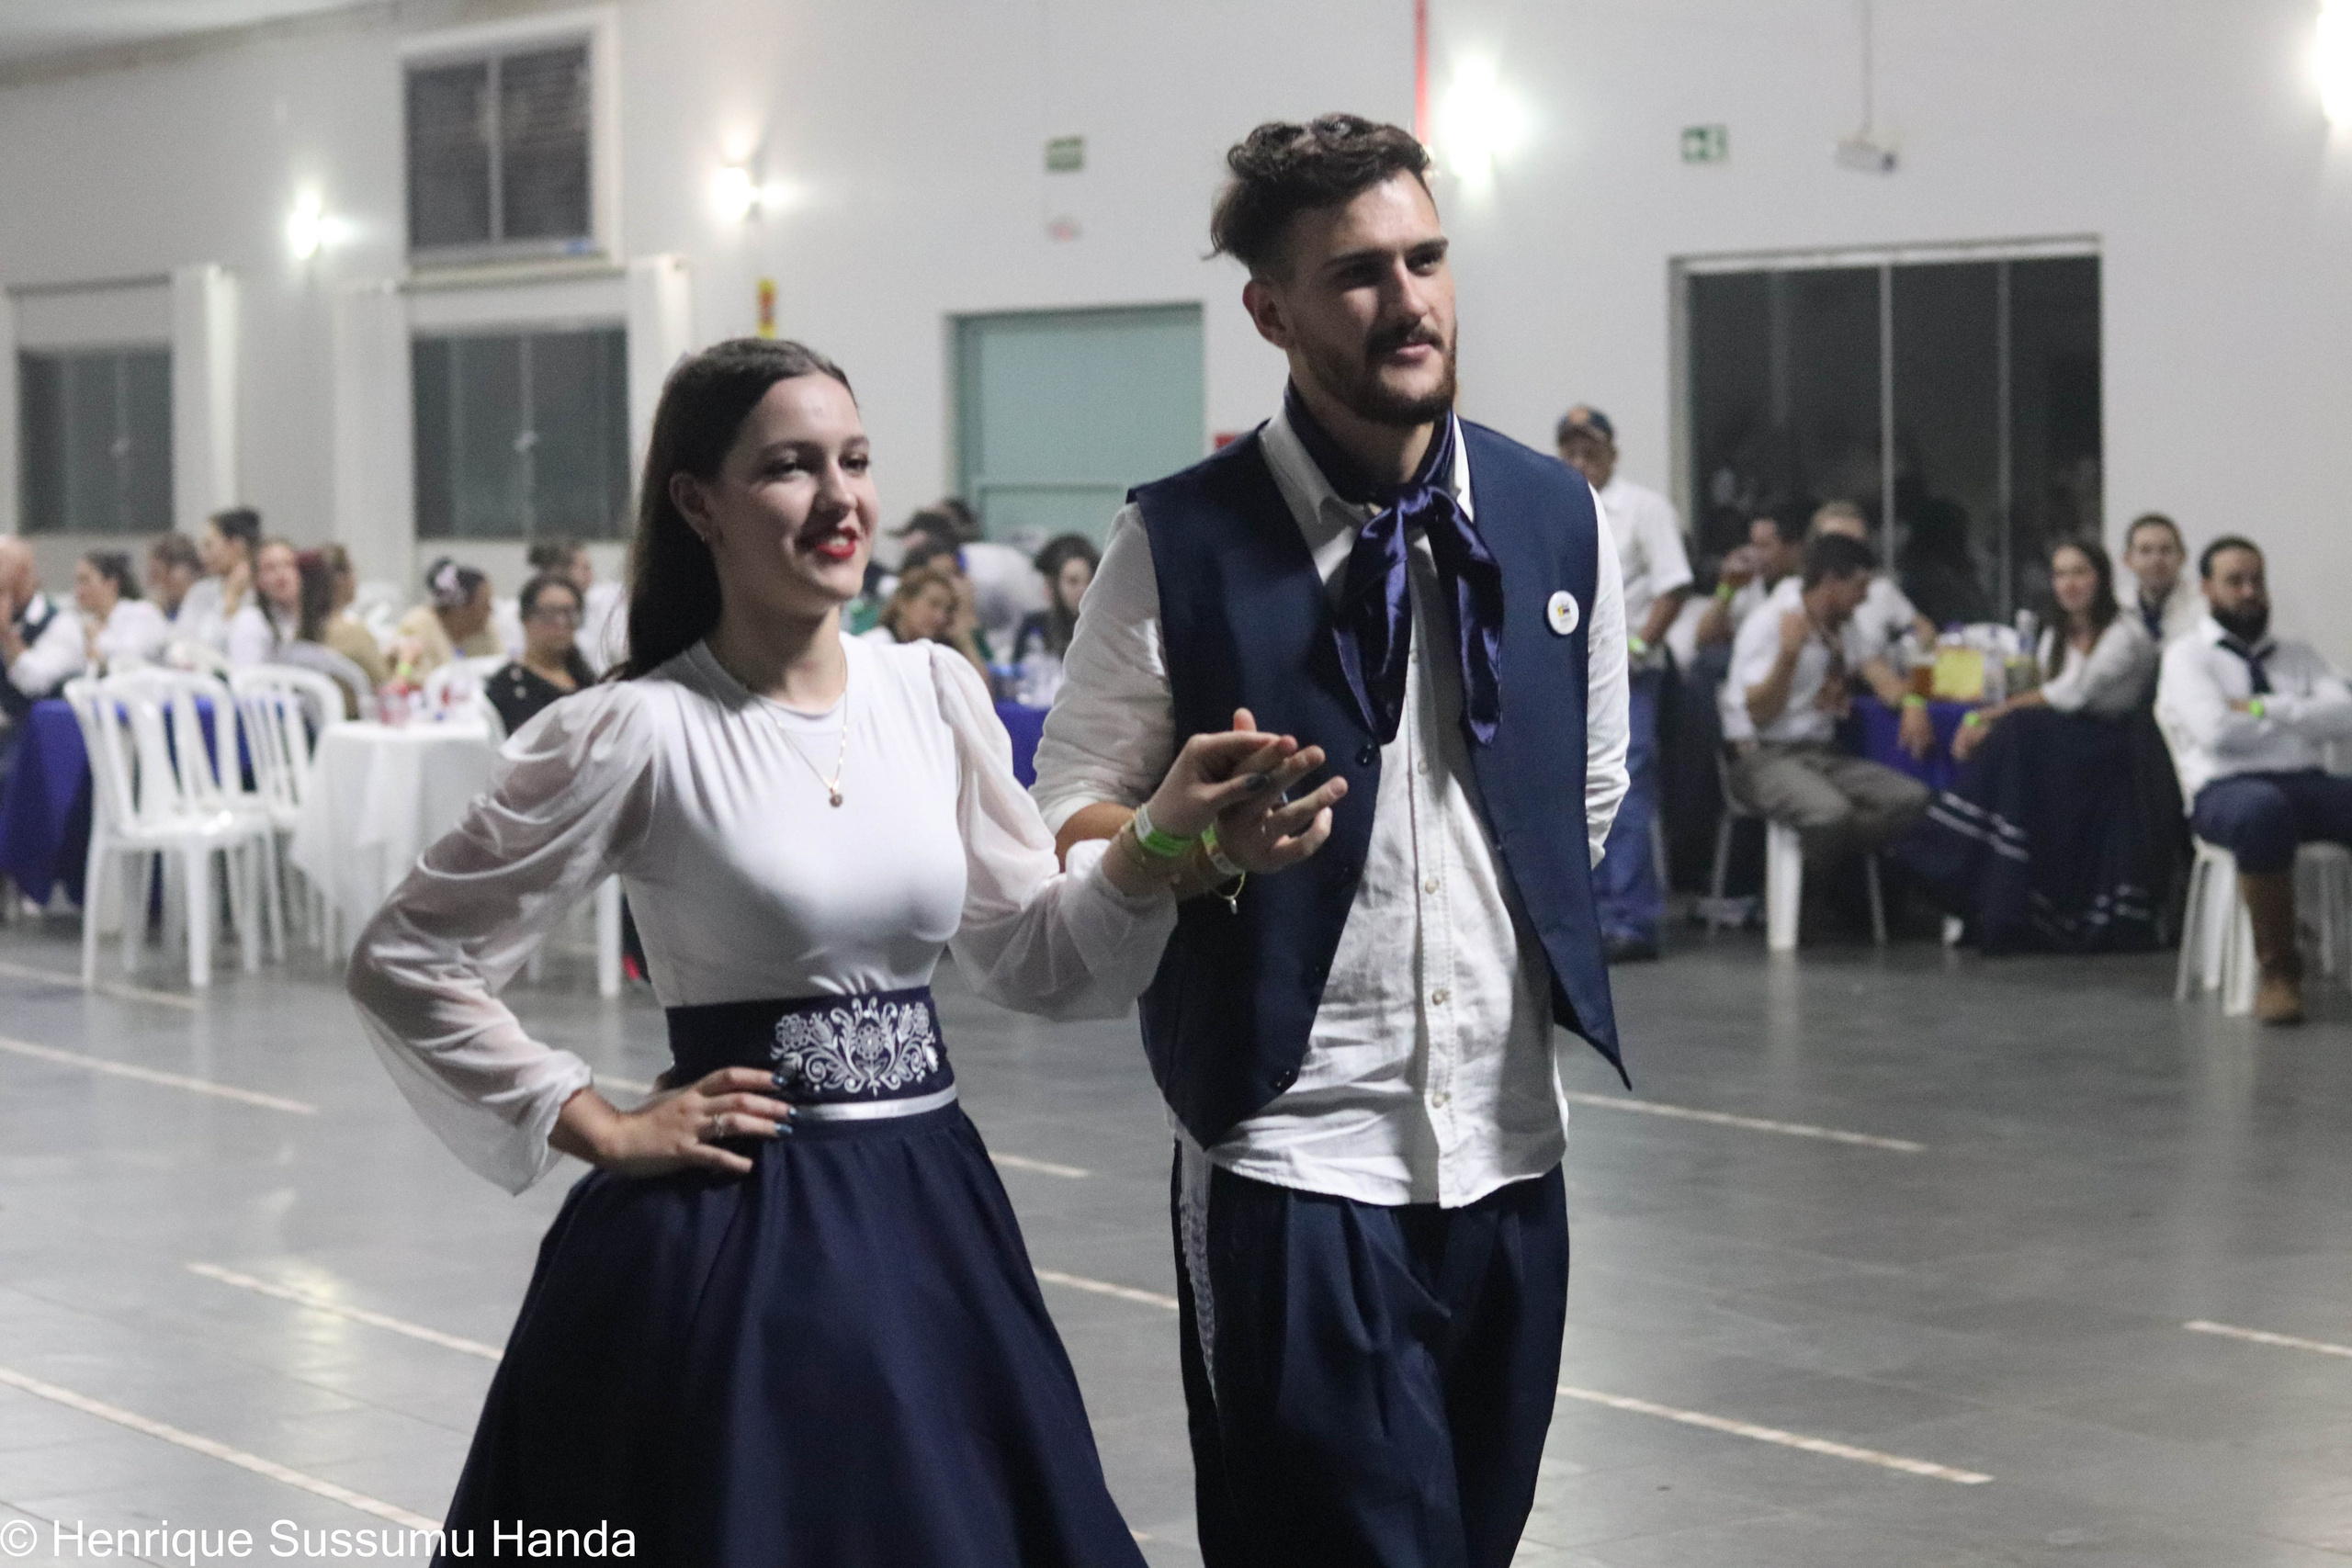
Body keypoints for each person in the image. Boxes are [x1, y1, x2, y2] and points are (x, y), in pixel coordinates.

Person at [347, 336, 1331, 1562]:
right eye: (789, 467)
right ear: (697, 502)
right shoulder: (637, 730)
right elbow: (408, 956)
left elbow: (1035, 954)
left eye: (854, 461)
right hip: (734, 1237)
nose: (838, 497)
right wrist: (593, 1120)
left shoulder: (926, 692)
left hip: (928, 1214)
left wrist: (1165, 837)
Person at [1035, 114, 1627, 1568]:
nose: (1408, 300)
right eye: (1357, 274)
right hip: (1292, 1154)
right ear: (1271, 312)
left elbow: (1589, 787)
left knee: (1474, 1538)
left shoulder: (1554, 517)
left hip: (1508, 1148)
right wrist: (1200, 848)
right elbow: (1072, 815)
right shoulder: (1179, 539)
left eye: (1425, 258)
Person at [1904, 539, 2165, 953]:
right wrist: (1988, 719)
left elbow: (2074, 693)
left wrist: (1989, 716)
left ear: (2101, 578)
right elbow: (2040, 689)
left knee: (2017, 731)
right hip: (2059, 742)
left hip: (2108, 748)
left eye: (2080, 573)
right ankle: (1977, 872)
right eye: (2060, 574)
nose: (2069, 584)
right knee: (2016, 735)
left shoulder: (2126, 634)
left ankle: (1945, 844)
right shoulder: (2054, 635)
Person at [2155, 536, 2352, 1023]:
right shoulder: (2187, 656)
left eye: (2257, 581)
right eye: (2235, 581)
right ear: (2207, 588)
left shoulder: (2298, 654)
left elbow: (2345, 714)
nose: (2249, 592)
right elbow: (2216, 731)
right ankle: (2279, 974)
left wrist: (2263, 707)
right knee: (2263, 810)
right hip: (2225, 791)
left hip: (2304, 782)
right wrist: (2301, 715)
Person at [1559, 403, 1689, 962]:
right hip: (1572, 673)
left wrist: (1636, 648)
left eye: (1590, 450)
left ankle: (1632, 920)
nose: (1579, 460)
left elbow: (1673, 586)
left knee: (1624, 788)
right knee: (1575, 790)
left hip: (1631, 676)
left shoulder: (1643, 508)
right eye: (1569, 450)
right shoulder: (1558, 504)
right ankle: (1588, 916)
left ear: (1612, 453)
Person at [1722, 532, 1929, 864]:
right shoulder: (1772, 621)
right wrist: (1788, 656)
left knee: (1910, 799)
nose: (1865, 598)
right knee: (1830, 813)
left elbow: (1884, 681)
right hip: (1761, 757)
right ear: (1831, 581)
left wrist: (1914, 703)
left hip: (1822, 754)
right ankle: (1814, 890)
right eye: (1859, 586)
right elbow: (1759, 714)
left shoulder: (1844, 627)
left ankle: (1828, 860)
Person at [1810, 501, 1937, 761]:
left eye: (1856, 545)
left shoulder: (1861, 611)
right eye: (1837, 544)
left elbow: (1884, 678)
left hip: (1849, 728)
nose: (1849, 555)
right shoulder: (1786, 606)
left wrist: (1915, 697)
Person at [0, 537, 85, 779]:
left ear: (23, 573)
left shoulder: (61, 624)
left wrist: (6, 634)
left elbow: (34, 682)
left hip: (37, 744)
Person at [485, 572, 597, 735]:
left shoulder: (588, 679)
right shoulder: (508, 687)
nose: (561, 622)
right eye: (549, 613)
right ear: (525, 618)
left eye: (569, 613)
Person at [1691, 506, 1804, 651]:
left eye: (1764, 546)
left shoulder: (1805, 587)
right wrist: (1727, 588)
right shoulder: (1748, 583)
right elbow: (1702, 640)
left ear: (1793, 549)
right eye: (1753, 545)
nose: (1757, 555)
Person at [1006, 533, 1099, 707]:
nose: (1084, 590)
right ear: (1050, 586)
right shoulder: (1035, 628)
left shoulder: (1105, 630)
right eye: (1072, 582)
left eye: (1089, 581)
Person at [865, 559, 992, 683]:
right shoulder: (875, 645)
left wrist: (963, 640)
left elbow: (978, 692)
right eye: (933, 604)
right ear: (904, 602)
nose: (940, 617)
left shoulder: (938, 654)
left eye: (947, 610)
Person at [527, 536, 627, 673]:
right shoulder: (528, 610)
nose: (591, 575)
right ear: (559, 570)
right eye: (585, 568)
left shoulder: (602, 601)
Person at [392, 558, 500, 676]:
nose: (490, 611)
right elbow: (406, 679)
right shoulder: (418, 627)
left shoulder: (483, 629)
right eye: (484, 605)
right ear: (460, 608)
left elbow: (500, 669)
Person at [179, 505, 262, 654]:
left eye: (208, 545)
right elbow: (184, 643)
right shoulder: (201, 592)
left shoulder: (263, 592)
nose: (202, 554)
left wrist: (232, 598)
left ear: (237, 545)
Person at [75, 550, 171, 672]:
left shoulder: (142, 612)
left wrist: (99, 638)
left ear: (110, 583)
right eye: (77, 582)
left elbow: (133, 658)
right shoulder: (85, 624)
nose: (78, 590)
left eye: (85, 581)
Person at [313, 543, 390, 688]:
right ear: (340, 580)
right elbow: (386, 688)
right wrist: (406, 663)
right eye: (352, 570)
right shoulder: (354, 633)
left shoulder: (305, 629)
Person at [2122, 512, 2201, 645]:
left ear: (2183, 557)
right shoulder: (2118, 607)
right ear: (2128, 559)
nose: (2156, 560)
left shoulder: (2204, 602)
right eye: (2145, 551)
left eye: (2165, 550)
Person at [242, 538, 305, 664]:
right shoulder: (251, 620)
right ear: (257, 580)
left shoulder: (314, 619)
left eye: (288, 564)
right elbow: (248, 673)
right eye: (270, 568)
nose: (280, 574)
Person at [144, 534, 203, 627]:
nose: (153, 582)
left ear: (182, 572)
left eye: (158, 573)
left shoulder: (207, 610)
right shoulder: (158, 611)